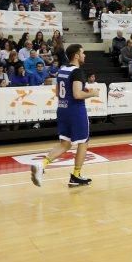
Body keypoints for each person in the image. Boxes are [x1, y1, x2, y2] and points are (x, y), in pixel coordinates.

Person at [30, 43, 98, 189]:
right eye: (83, 52)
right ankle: (76, 175)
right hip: (75, 110)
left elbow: (58, 92)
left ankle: (41, 164)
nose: (84, 55)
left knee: (65, 144)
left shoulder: (62, 70)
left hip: (62, 109)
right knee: (84, 141)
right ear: (76, 55)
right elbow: (77, 94)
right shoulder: (78, 72)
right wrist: (93, 93)